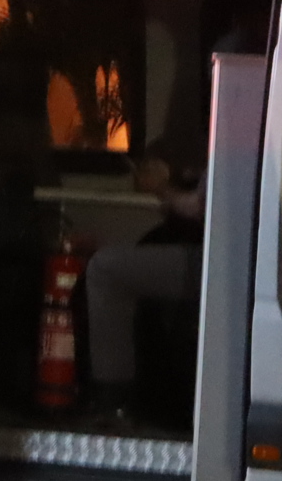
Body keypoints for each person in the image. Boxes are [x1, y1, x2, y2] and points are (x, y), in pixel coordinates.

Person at [83, 148, 203, 422]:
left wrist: (160, 187)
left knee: (105, 270)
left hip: (226, 263)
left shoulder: (233, 143)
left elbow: (198, 207)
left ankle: (113, 401)